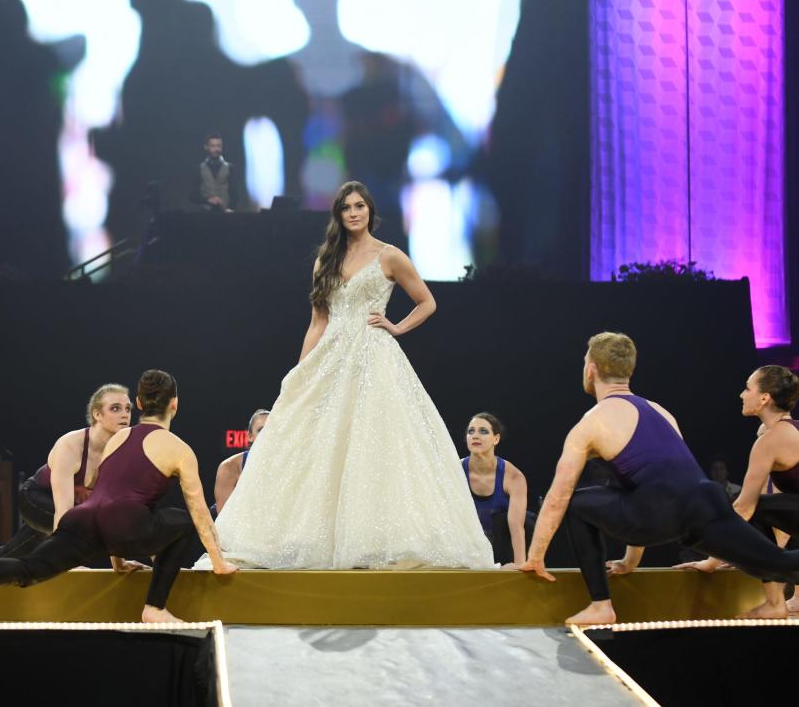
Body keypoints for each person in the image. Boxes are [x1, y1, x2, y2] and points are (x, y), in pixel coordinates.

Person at [204, 181, 493, 569]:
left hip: (374, 358)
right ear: (338, 215)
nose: (354, 213)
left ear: (370, 210)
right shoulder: (325, 259)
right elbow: (317, 321)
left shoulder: (390, 256)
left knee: (375, 446)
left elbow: (427, 302)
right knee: (321, 447)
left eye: (360, 206)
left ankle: (374, 542)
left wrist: (396, 327)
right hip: (331, 357)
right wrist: (302, 369)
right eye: (346, 207)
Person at [518, 334, 799, 624]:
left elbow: (557, 497)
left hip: (661, 512)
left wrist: (535, 557)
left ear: (591, 370)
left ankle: (600, 605)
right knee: (779, 563)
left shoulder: (591, 422)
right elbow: (643, 486)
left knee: (576, 504)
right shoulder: (661, 411)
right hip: (706, 503)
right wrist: (630, 562)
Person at [0, 370, 237, 624]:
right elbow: (199, 511)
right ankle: (155, 607)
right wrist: (219, 563)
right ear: (175, 404)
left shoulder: (117, 438)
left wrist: (118, 563)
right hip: (124, 525)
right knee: (185, 522)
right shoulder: (179, 449)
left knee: (31, 568)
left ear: (138, 403)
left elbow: (106, 495)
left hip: (81, 521)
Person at [676, 366, 799, 618]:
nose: (742, 394)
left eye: (747, 388)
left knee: (749, 509)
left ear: (764, 398)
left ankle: (776, 602)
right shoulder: (785, 429)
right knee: (762, 510)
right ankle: (778, 602)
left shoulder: (771, 439)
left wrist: (712, 558)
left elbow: (744, 507)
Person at [0, 384, 136, 562]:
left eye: (128, 409)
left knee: (15, 551)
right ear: (97, 414)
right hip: (34, 497)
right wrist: (65, 562)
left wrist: (119, 564)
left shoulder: (122, 454)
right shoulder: (71, 445)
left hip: (69, 509)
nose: (125, 414)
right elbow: (64, 511)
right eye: (115, 408)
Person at [461, 413, 533, 566]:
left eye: (483, 431)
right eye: (471, 431)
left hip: (500, 541)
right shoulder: (455, 471)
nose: (475, 436)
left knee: (515, 521)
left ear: (496, 439)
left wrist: (519, 565)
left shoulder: (514, 476)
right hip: (471, 541)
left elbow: (516, 526)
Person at [214, 409, 269, 514]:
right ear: (250, 436)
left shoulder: (287, 466)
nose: (267, 434)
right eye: (261, 430)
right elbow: (223, 516)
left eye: (272, 429)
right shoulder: (229, 466)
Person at [188, 132, 246, 212]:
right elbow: (192, 195)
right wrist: (208, 200)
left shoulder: (230, 168)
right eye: (213, 146)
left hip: (225, 214)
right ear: (206, 147)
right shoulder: (199, 169)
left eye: (219, 146)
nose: (216, 149)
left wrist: (230, 208)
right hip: (205, 214)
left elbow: (234, 193)